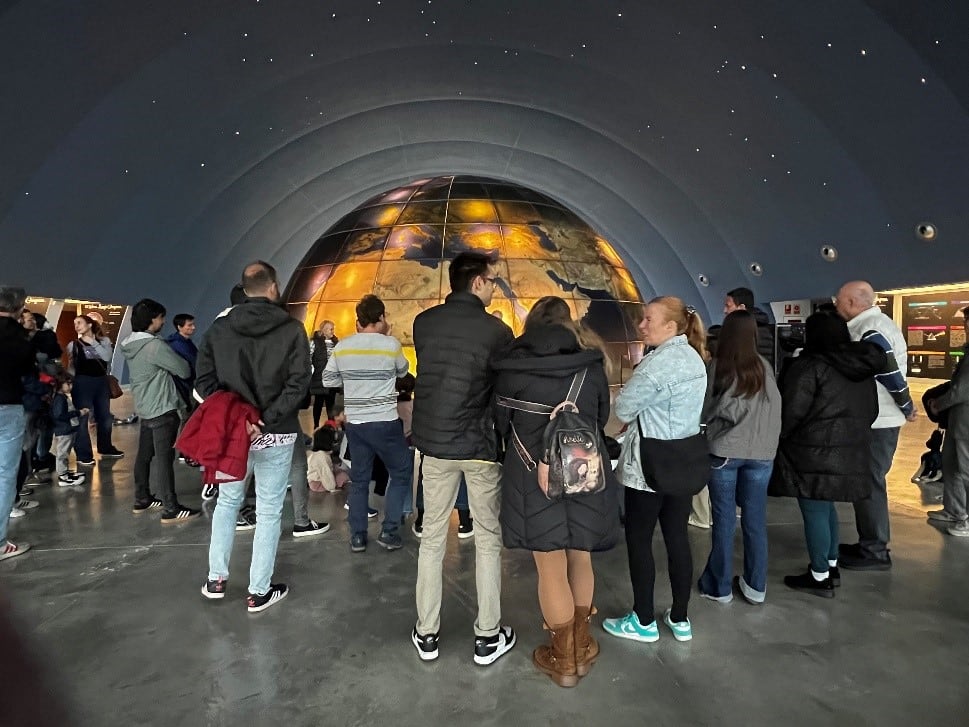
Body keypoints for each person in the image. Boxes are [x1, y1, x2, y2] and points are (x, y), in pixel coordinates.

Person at [493, 296, 619, 687]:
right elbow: (599, 419)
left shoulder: (511, 368)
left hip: (533, 477)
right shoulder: (591, 366)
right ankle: (581, 647)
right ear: (568, 325)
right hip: (584, 471)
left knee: (549, 566)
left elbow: (500, 424)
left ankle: (563, 661)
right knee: (580, 556)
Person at [410, 251, 516, 666]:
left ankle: (427, 632)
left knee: (432, 539)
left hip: (435, 446)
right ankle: (488, 636)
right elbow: (501, 391)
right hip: (479, 446)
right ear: (476, 282)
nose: (495, 288)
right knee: (488, 539)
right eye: (492, 281)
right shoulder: (497, 332)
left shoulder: (424, 323)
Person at [196, 261, 311, 612]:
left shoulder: (219, 329)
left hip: (233, 433)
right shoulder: (292, 328)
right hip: (277, 432)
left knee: (227, 503)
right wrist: (266, 418)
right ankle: (259, 590)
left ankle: (216, 579)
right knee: (270, 509)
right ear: (273, 286)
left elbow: (203, 382)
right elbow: (298, 384)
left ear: (244, 289)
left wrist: (239, 417)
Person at [603, 296, 707, 644]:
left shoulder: (655, 365)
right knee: (677, 538)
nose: (641, 325)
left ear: (671, 326)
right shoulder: (694, 357)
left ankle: (643, 620)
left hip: (648, 467)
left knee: (639, 539)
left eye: (649, 319)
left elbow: (624, 408)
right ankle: (680, 617)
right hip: (683, 462)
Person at [769, 312, 884, 596]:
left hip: (811, 451)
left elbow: (791, 411)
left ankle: (819, 575)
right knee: (826, 507)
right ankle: (831, 565)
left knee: (814, 511)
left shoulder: (809, 366)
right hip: (850, 449)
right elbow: (872, 411)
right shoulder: (861, 369)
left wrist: (780, 437)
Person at [697, 310, 781, 605]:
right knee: (755, 520)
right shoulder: (764, 367)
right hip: (762, 454)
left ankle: (719, 587)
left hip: (725, 452)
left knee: (723, 521)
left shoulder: (719, 366)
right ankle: (756, 586)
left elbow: (705, 409)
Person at [834, 280, 916, 570]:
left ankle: (875, 550)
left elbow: (888, 371)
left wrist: (907, 404)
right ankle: (869, 542)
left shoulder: (871, 331)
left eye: (839, 299)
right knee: (867, 481)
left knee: (869, 482)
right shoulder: (873, 325)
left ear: (852, 303)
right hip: (876, 419)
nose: (836, 304)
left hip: (879, 421)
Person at [322, 294, 411, 552]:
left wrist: (353, 381)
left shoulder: (343, 347)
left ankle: (358, 536)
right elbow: (403, 372)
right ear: (381, 317)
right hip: (385, 421)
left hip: (357, 424)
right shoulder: (390, 345)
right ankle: (389, 530)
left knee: (359, 480)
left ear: (358, 320)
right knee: (401, 472)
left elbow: (328, 380)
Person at [121, 299, 199, 523]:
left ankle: (142, 498)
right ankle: (170, 508)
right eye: (160, 318)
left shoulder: (130, 345)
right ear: (151, 320)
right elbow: (183, 370)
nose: (163, 322)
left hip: (145, 406)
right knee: (165, 459)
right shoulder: (155, 346)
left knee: (144, 455)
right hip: (163, 406)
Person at [0, 286, 36, 562]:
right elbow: (28, 371)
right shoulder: (20, 338)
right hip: (7, 406)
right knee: (4, 475)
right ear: (19, 308)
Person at [926, 305, 969, 536]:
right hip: (958, 420)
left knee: (966, 470)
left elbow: (962, 390)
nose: (966, 325)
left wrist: (938, 404)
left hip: (966, 422)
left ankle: (966, 519)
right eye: (965, 321)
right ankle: (954, 511)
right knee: (951, 465)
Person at [67, 314, 123, 465]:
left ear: (90, 324)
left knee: (104, 416)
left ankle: (105, 447)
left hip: (101, 382)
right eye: (75, 323)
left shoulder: (104, 341)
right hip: (82, 382)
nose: (76, 326)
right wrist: (69, 382)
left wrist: (91, 341)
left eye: (79, 322)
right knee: (83, 417)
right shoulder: (74, 345)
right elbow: (71, 366)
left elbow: (106, 357)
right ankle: (83, 454)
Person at [49, 373, 87, 486]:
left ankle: (65, 472)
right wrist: (77, 413)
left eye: (71, 384)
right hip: (64, 431)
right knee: (62, 453)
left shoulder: (62, 397)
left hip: (67, 430)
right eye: (68, 384)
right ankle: (63, 476)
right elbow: (59, 415)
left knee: (65, 452)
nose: (71, 386)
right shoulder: (59, 399)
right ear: (60, 384)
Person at [309, 320, 339, 428]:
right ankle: (316, 425)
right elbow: (309, 357)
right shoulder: (315, 342)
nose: (332, 331)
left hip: (332, 378)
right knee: (318, 402)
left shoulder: (336, 343)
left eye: (333, 329)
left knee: (331, 403)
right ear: (324, 330)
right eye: (330, 329)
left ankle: (331, 426)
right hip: (319, 377)